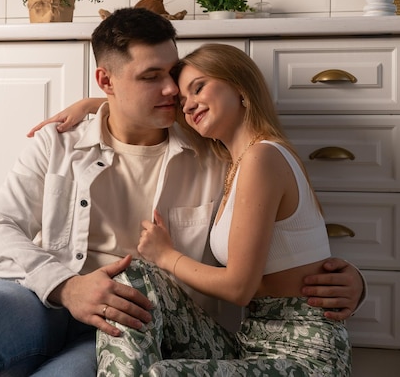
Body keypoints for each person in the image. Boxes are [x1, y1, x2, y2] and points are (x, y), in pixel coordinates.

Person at [0, 8, 362, 377]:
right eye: (150, 77)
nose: (173, 91)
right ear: (106, 80)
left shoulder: (215, 150)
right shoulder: (61, 140)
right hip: (50, 299)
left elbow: (279, 228)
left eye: (174, 74)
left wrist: (350, 282)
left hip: (134, 325)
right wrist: (67, 286)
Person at [94, 43, 352, 376]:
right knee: (134, 278)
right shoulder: (234, 163)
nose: (188, 105)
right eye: (183, 101)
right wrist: (95, 104)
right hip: (251, 342)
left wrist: (165, 255)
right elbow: (133, 111)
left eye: (198, 88)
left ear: (239, 85)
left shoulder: (264, 158)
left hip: (305, 353)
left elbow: (238, 288)